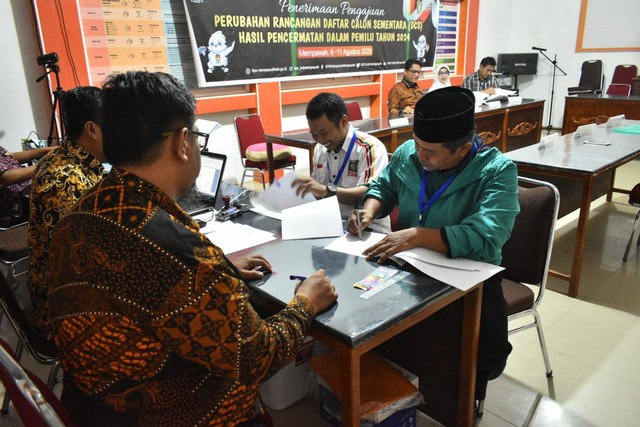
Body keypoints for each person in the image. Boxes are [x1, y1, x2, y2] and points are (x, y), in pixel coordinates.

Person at [46, 71, 338, 426]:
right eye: (197, 137)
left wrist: (223, 272)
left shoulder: (80, 213)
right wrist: (306, 302)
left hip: (92, 407)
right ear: (181, 142)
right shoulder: (179, 255)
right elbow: (256, 356)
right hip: (169, 413)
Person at [348, 86, 518, 403]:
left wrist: (416, 235)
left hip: (471, 277)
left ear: (463, 150)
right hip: (410, 265)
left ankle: (464, 401)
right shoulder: (409, 155)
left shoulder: (497, 172)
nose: (420, 156)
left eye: (431, 152)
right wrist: (369, 210)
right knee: (366, 319)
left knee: (483, 350)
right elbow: (384, 187)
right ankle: (390, 391)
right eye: (418, 145)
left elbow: (487, 235)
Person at [28, 86, 106, 337]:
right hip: (64, 312)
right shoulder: (66, 183)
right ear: (91, 130)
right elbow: (84, 266)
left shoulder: (67, 158)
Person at [292, 92, 390, 231]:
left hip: (367, 228)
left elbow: (369, 193)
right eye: (314, 135)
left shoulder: (369, 148)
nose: (320, 140)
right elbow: (317, 190)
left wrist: (327, 191)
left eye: (324, 133)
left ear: (343, 121)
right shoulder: (320, 149)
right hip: (331, 224)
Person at [0, 144, 56, 221]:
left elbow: (10, 157)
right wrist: (48, 163)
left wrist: (44, 150)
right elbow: (6, 177)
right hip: (15, 198)